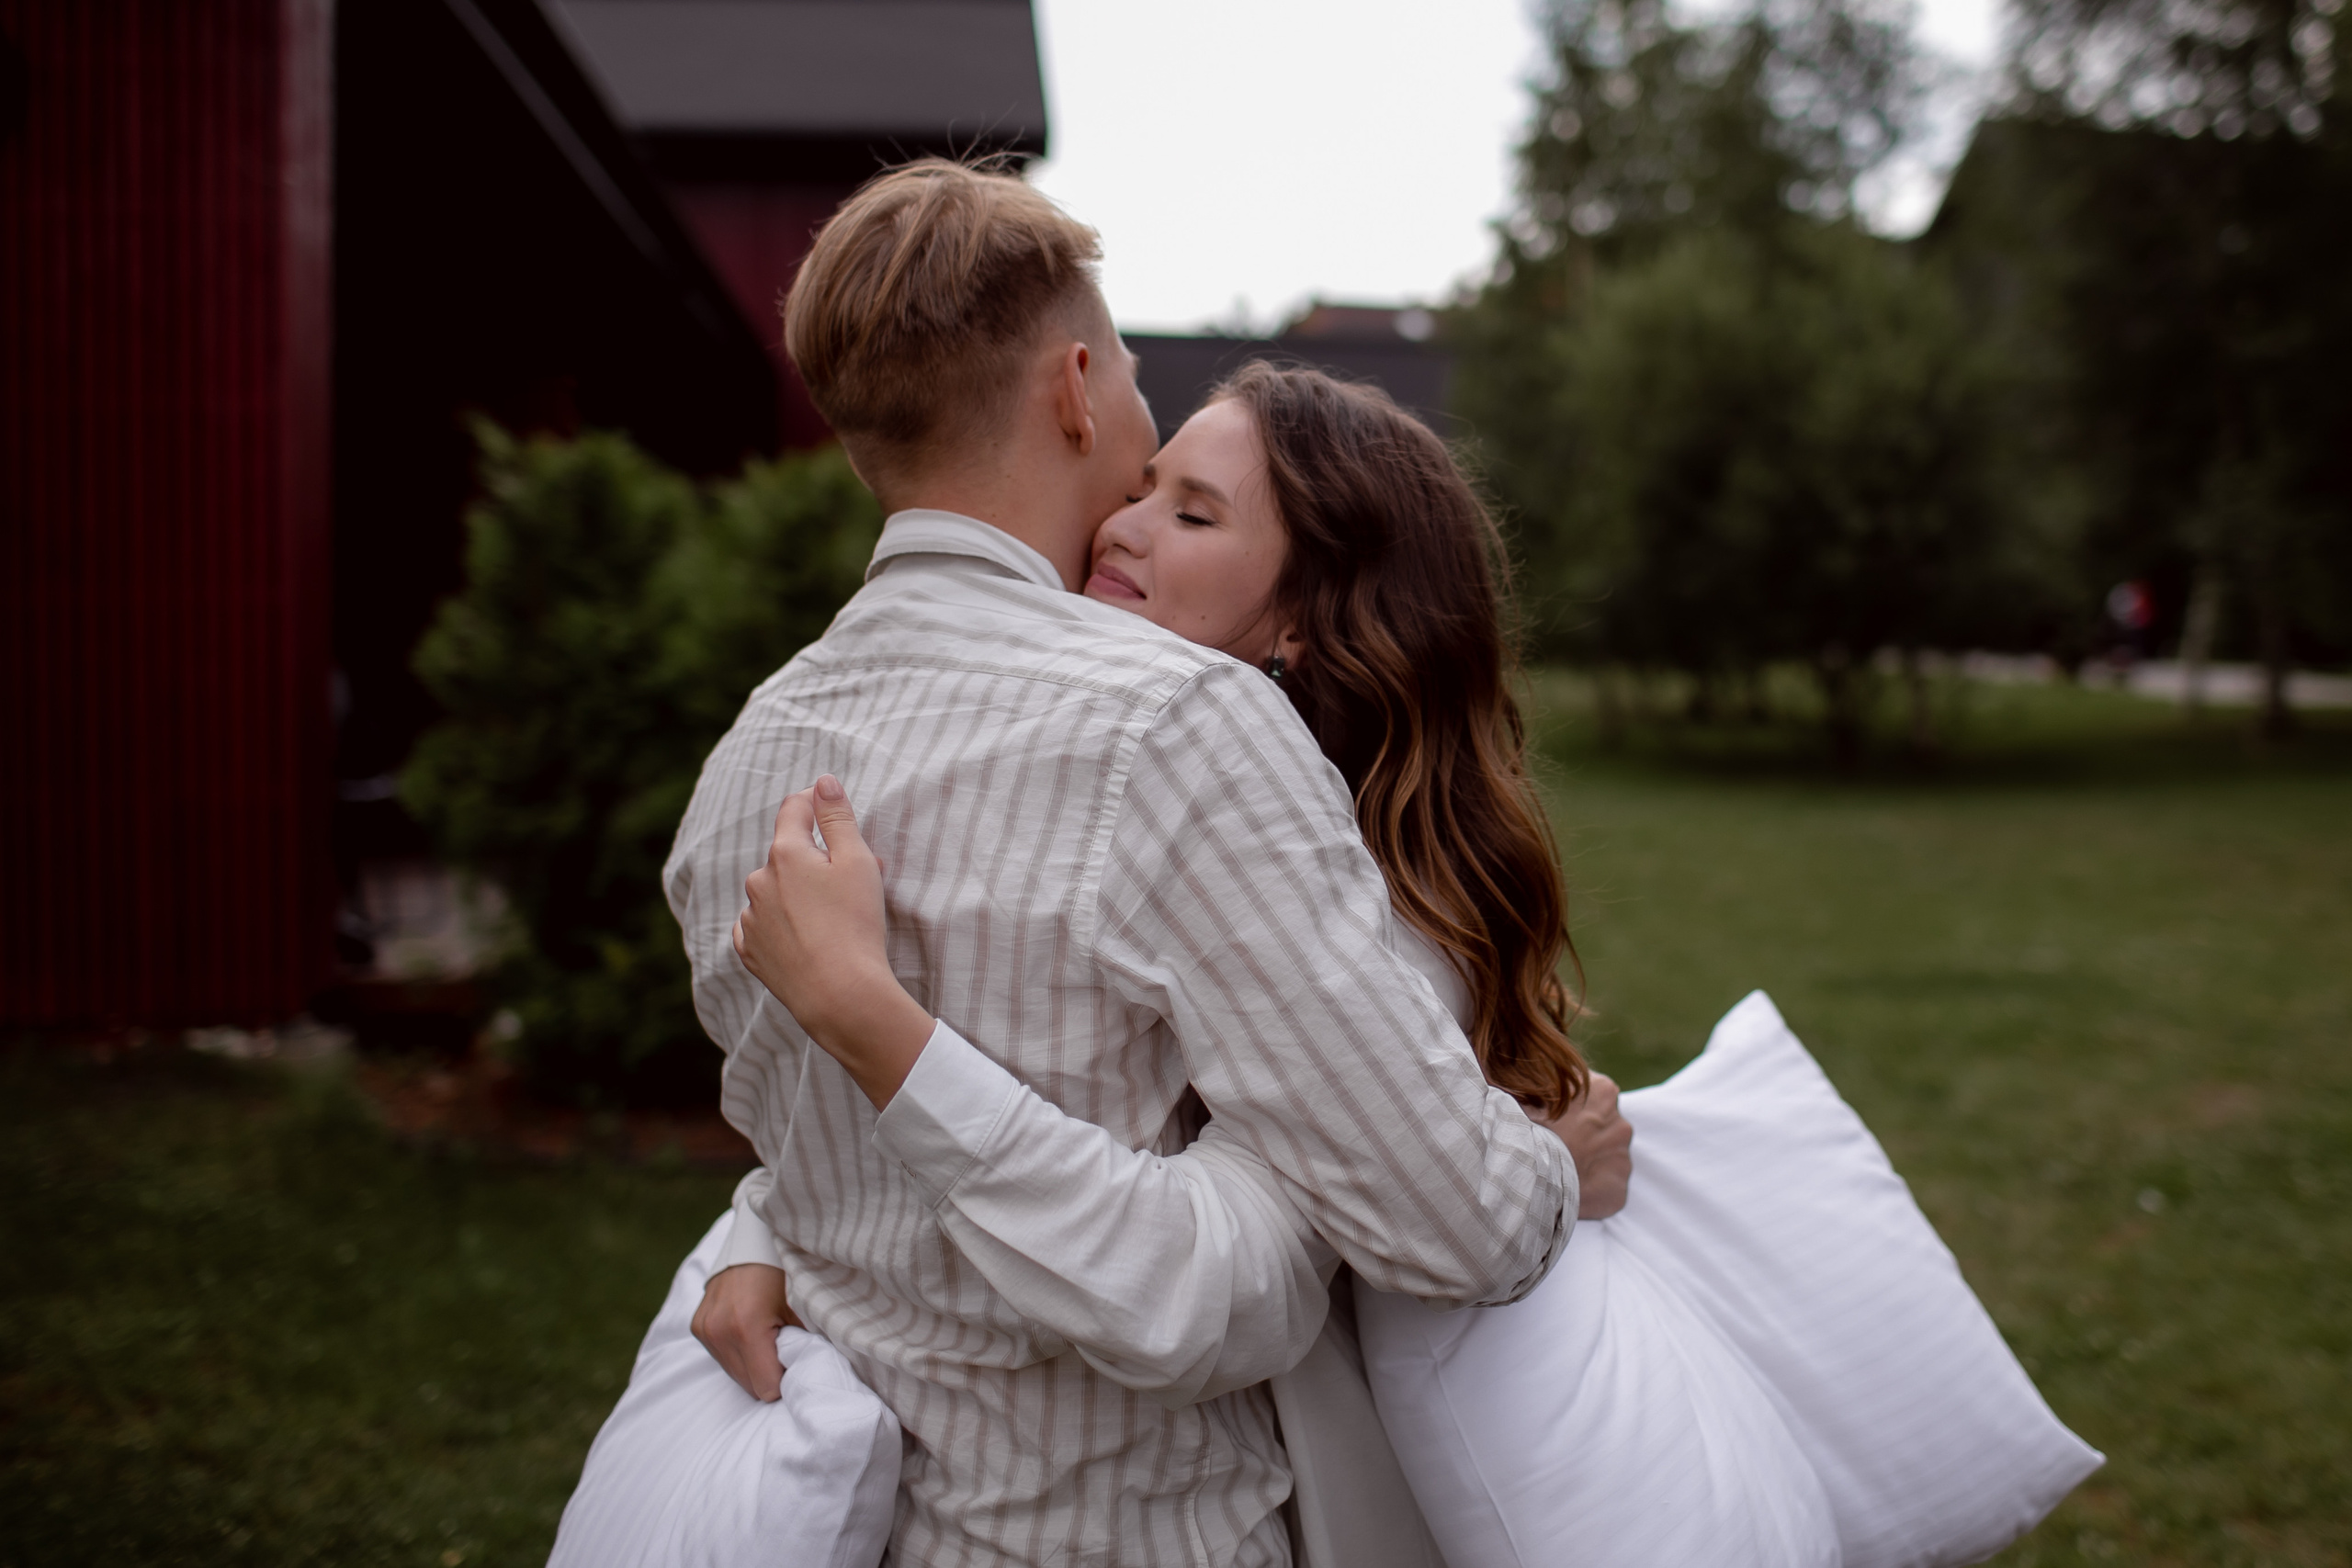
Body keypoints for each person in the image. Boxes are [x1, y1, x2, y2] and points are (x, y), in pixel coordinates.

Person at [629, 160, 1624, 1568]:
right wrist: (1536, 1167)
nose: (1142, 478)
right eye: (1144, 393)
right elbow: (1433, 1233)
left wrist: (756, 1228)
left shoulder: (745, 767)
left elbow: (816, 1162)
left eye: (1197, 508)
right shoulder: (1178, 727)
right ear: (1078, 388)